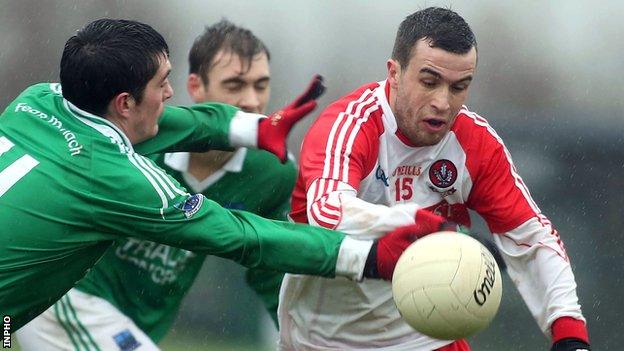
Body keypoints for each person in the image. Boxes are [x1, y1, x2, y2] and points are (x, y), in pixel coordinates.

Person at [0, 18, 448, 338]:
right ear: (124, 102)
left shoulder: (40, 100)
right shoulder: (123, 179)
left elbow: (166, 124)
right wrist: (367, 258)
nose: (170, 93)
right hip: (72, 307)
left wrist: (252, 129)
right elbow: (237, 235)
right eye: (163, 83)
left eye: (260, 85)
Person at [278, 7, 590, 351]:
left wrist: (569, 331)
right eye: (429, 82)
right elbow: (329, 213)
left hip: (427, 336)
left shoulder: (475, 143)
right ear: (394, 73)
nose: (443, 102)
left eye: (459, 87)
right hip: (325, 340)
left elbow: (531, 236)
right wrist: (432, 230)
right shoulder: (349, 125)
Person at [16, 19, 297, 349]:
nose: (252, 101)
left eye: (261, 85)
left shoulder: (272, 172)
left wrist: (294, 337)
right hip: (69, 301)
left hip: (141, 324)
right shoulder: (138, 137)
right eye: (235, 85)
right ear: (195, 87)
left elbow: (267, 267)